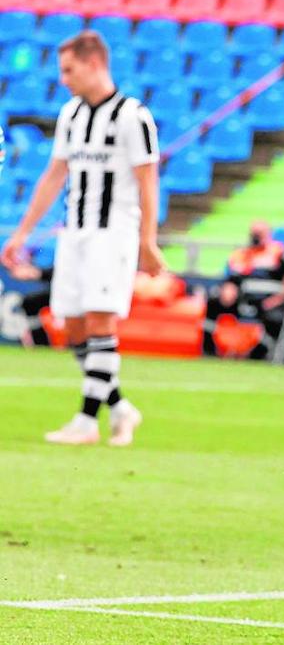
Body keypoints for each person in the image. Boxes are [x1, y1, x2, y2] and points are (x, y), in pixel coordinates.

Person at [0, 31, 166, 446]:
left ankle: (87, 422)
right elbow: (55, 174)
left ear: (94, 64)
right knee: (73, 326)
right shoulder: (72, 114)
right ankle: (121, 408)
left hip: (114, 232)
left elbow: (148, 181)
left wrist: (148, 240)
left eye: (69, 70)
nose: (64, 79)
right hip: (75, 230)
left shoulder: (133, 116)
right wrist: (23, 232)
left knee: (99, 319)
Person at [202, 220, 284, 360]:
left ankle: (257, 355)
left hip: (268, 300)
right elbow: (232, 278)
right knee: (213, 303)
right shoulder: (242, 253)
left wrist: (277, 299)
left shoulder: (278, 252)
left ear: (268, 234)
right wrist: (228, 290)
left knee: (275, 318)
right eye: (254, 233)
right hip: (243, 298)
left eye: (259, 234)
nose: (256, 237)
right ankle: (209, 351)